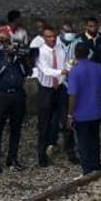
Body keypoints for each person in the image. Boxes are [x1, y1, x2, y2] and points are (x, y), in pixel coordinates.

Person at [0, 28, 30, 173]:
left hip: (18, 94)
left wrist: (19, 58)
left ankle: (12, 158)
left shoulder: (15, 54)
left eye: (6, 40)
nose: (3, 43)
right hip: (3, 95)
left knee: (16, 128)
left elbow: (27, 72)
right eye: (0, 40)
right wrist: (6, 60)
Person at [34, 25, 75, 167]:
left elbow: (67, 62)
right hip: (47, 90)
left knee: (67, 120)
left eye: (53, 36)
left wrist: (68, 68)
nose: (51, 39)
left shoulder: (60, 48)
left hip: (61, 89)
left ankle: (71, 151)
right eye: (48, 37)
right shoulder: (40, 52)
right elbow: (45, 70)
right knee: (44, 123)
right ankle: (42, 154)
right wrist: (62, 72)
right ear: (44, 38)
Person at [67, 42, 101, 175]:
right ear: (89, 53)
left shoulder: (75, 71)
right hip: (95, 110)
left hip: (80, 113)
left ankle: (87, 167)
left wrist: (70, 114)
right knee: (95, 138)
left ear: (76, 54)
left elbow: (73, 95)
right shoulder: (98, 68)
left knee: (83, 141)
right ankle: (96, 164)